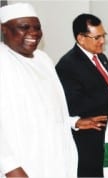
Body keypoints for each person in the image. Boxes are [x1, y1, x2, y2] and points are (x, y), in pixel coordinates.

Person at [0, 3, 78, 177]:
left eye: (37, 27)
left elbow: (49, 105)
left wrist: (74, 122)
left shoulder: (43, 59)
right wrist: (10, 167)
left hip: (56, 157)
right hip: (21, 162)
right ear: (4, 29)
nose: (34, 33)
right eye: (24, 27)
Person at [55, 13, 108, 177]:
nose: (102, 41)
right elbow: (73, 105)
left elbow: (107, 85)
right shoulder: (67, 65)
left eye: (103, 35)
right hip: (89, 143)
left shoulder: (100, 57)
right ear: (81, 38)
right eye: (97, 37)